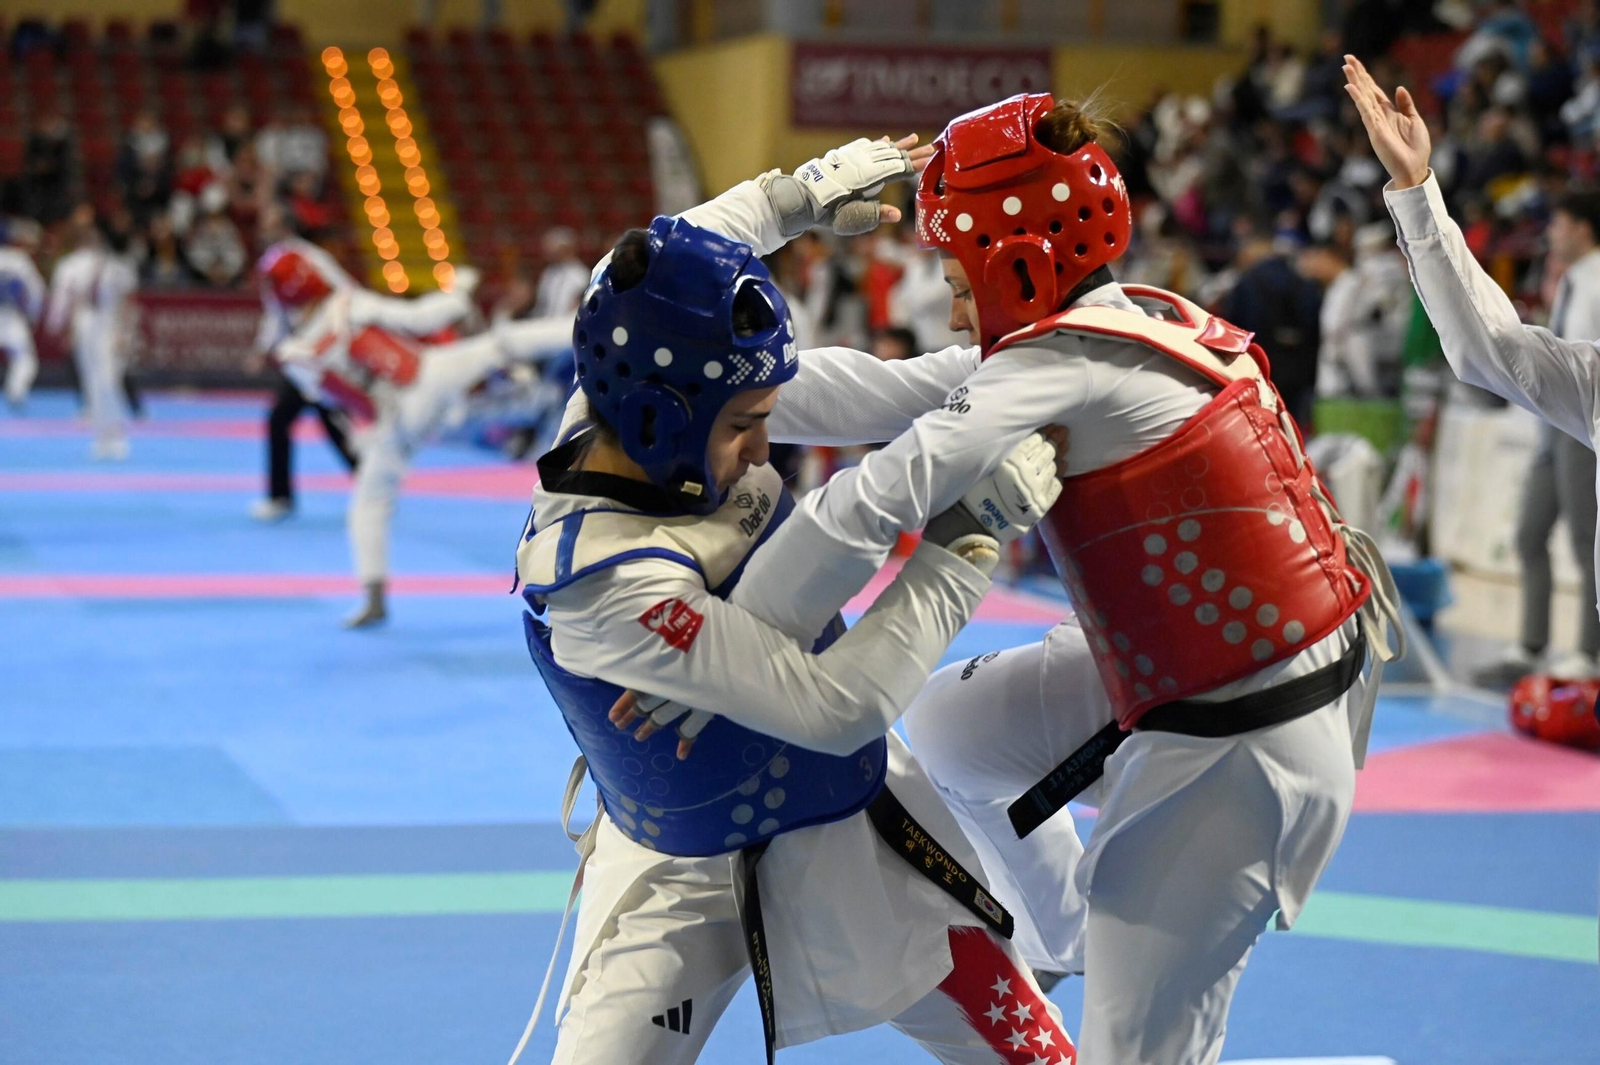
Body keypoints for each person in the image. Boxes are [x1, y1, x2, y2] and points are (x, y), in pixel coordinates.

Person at [708, 93, 1402, 1065]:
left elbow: (871, 502)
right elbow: (884, 390)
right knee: (952, 729)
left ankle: (1131, 962)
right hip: (1212, 677)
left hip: (1245, 750)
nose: (953, 310)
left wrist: (715, 650)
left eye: (959, 283)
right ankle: (1076, 936)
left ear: (1019, 268)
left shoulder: (1063, 366)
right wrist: (712, 378)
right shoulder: (1138, 321)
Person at [516, 213, 1074, 1065]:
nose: (763, 449)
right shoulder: (601, 575)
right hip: (674, 858)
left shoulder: (669, 388)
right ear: (660, 417)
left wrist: (798, 194)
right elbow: (841, 705)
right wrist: (967, 539)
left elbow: (676, 252)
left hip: (848, 829)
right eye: (744, 424)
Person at [1347, 54, 1600, 679]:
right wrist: (1414, 187)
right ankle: (1542, 648)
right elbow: (1492, 345)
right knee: (1539, 534)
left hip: (1569, 437)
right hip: (1562, 428)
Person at [259, 245, 483, 626]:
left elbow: (416, 321)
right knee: (503, 347)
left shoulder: (312, 338)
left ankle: (374, 596)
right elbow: (419, 319)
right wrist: (459, 294)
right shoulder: (330, 318)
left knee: (368, 503)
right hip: (411, 398)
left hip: (398, 412)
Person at [247, 228, 362, 522]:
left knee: (332, 424)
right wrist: (263, 348)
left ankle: (371, 485)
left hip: (324, 352)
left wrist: (335, 328)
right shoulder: (270, 264)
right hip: (301, 355)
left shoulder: (312, 258)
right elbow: (275, 313)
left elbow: (348, 292)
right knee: (283, 420)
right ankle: (280, 497)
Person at [44, 209, 138, 460]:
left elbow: (126, 300)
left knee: (106, 379)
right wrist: (62, 326)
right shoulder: (72, 265)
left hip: (106, 322)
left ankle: (115, 433)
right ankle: (103, 435)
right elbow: (64, 299)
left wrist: (124, 332)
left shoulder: (113, 265)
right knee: (94, 381)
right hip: (88, 323)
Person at [0, 219, 45, 413]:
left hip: (11, 314)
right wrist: (33, 315)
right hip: (11, 317)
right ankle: (15, 392)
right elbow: (36, 291)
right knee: (25, 359)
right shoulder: (19, 260)